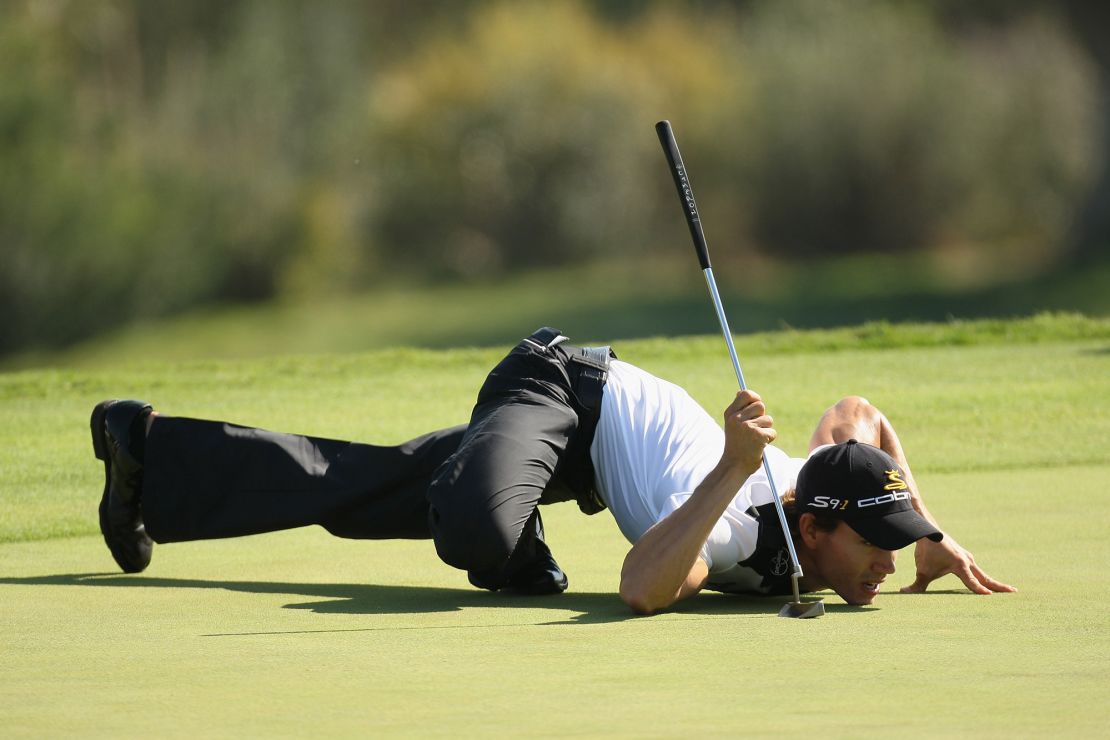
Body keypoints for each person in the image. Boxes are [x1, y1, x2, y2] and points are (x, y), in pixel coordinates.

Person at [91, 327, 1014, 614]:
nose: (886, 564)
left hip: (594, 462)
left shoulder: (819, 475)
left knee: (366, 486)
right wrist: (733, 471)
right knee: (480, 526)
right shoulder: (738, 520)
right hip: (561, 387)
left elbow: (861, 418)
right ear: (812, 529)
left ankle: (146, 455)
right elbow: (642, 588)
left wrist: (928, 527)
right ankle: (515, 535)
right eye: (876, 543)